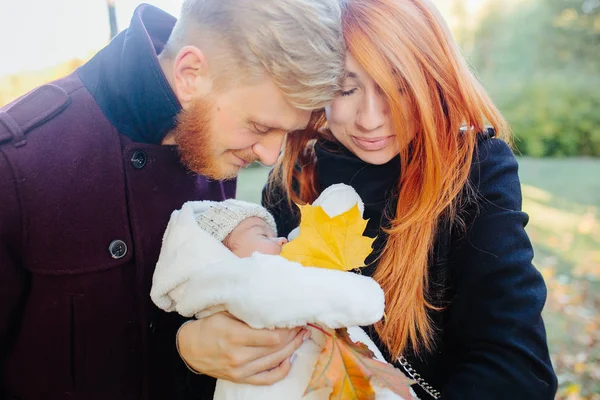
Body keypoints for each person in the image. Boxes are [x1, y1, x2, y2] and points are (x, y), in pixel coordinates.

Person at [0, 0, 345, 398]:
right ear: (190, 74)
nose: (271, 156)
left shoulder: (210, 141)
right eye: (260, 126)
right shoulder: (18, 163)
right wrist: (182, 347)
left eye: (287, 133)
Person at [261, 0, 559, 399]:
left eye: (399, 87)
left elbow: (517, 367)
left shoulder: (475, 170)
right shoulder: (295, 178)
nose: (370, 118)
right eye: (345, 88)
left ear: (433, 82)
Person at [150, 190, 408, 400]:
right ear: (218, 253)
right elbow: (277, 288)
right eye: (263, 235)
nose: (283, 241)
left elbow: (303, 252)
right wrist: (363, 296)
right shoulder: (244, 281)